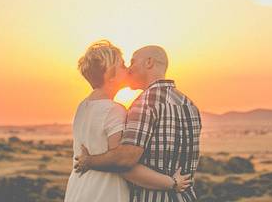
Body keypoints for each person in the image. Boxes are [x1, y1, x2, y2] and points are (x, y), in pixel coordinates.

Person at [65, 41, 191, 202]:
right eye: (123, 65)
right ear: (110, 75)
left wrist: (89, 161)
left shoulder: (82, 107)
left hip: (78, 189)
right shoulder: (114, 110)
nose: (128, 69)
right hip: (105, 193)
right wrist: (171, 183)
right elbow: (122, 164)